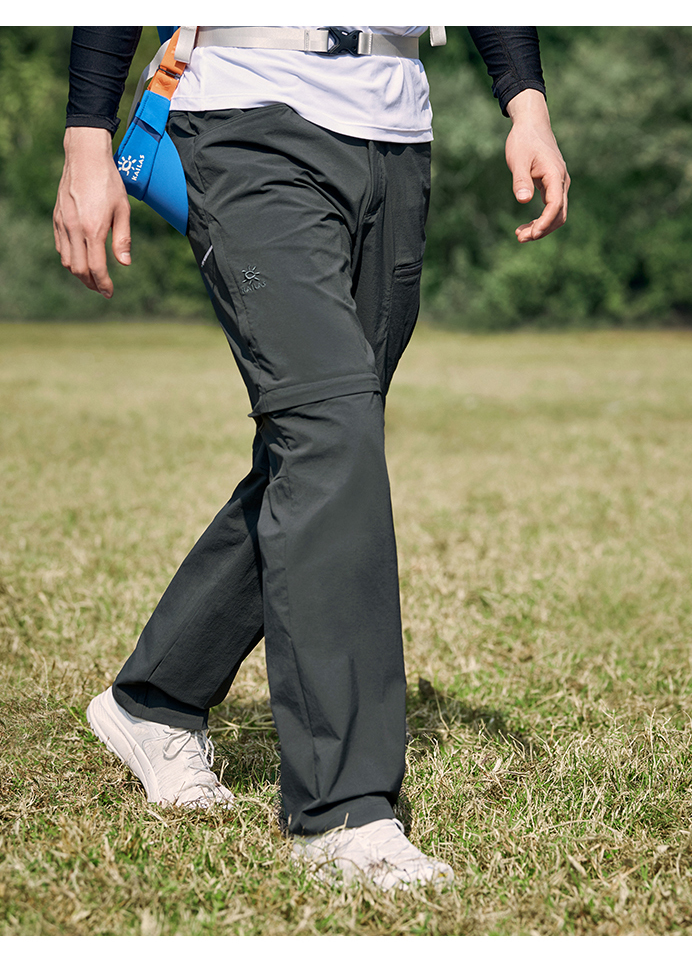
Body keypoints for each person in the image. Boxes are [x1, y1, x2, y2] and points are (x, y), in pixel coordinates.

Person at [53, 25, 569, 892]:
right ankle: (345, 810)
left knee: (328, 440)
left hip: (395, 128)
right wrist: (85, 136)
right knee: (331, 433)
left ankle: (156, 700)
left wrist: (528, 102)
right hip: (246, 113)